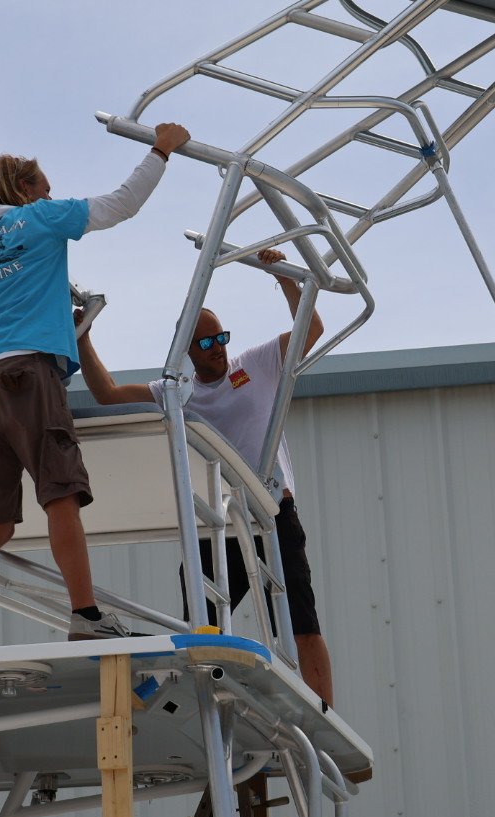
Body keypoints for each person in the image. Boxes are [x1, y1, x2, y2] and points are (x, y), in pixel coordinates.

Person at [0, 123, 191, 652]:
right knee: (61, 496)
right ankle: (85, 614)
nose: (50, 194)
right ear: (23, 190)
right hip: (28, 376)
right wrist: (161, 150)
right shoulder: (41, 218)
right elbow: (121, 205)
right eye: (43, 186)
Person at [75, 249, 333, 706]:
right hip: (217, 521)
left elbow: (311, 329)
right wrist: (82, 338)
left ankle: (323, 712)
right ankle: (200, 706)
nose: (219, 349)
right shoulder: (177, 392)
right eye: (207, 343)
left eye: (222, 338)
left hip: (271, 511)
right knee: (200, 625)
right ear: (188, 351)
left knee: (301, 622)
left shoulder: (255, 365)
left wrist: (283, 275)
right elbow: (108, 393)